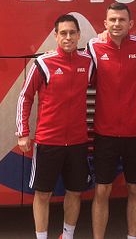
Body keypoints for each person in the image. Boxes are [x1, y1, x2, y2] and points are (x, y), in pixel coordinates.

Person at [16, 14, 93, 239]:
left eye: (72, 33)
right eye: (63, 33)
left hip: (78, 142)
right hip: (48, 141)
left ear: (79, 35)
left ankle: (67, 236)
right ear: (56, 36)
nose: (68, 37)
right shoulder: (43, 63)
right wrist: (23, 133)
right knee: (43, 194)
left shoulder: (88, 63)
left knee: (75, 192)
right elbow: (25, 97)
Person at [87, 3, 136, 239]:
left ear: (130, 24)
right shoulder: (94, 46)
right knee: (102, 190)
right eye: (112, 20)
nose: (116, 24)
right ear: (105, 23)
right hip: (105, 133)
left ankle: (132, 237)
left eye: (121, 20)